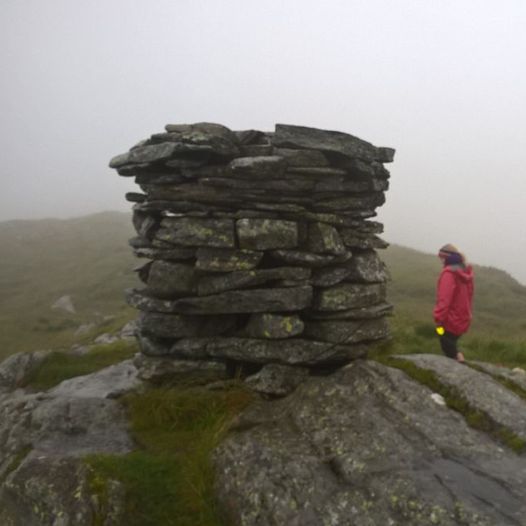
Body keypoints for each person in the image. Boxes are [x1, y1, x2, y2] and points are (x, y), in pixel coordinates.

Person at [433, 244, 474, 363]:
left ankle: (459, 360)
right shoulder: (466, 273)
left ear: (447, 258)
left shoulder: (448, 274)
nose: (441, 261)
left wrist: (438, 317)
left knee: (445, 341)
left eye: (442, 258)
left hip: (449, 319)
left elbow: (444, 299)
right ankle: (457, 358)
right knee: (451, 342)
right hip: (463, 317)